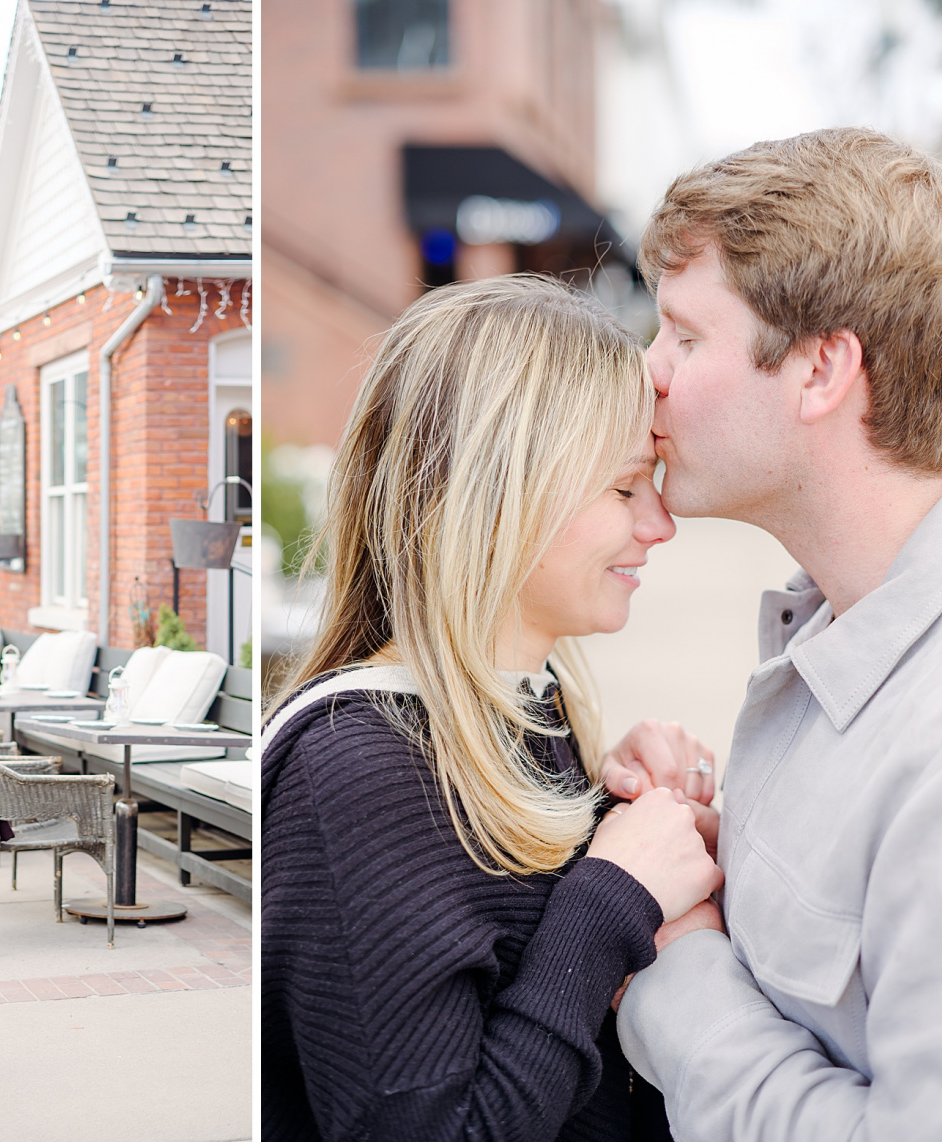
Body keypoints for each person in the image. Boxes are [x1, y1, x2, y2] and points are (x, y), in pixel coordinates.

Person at [609, 128, 942, 1140]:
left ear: (822, 368)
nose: (648, 371)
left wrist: (675, 966)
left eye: (686, 336)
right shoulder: (842, 619)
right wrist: (696, 851)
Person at [261, 275, 723, 1141]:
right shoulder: (359, 769)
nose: (659, 524)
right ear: (499, 494)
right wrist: (613, 895)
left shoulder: (525, 712)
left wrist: (612, 821)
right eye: (625, 489)